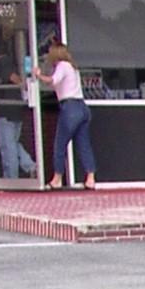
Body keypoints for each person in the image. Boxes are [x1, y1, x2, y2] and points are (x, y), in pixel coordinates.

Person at [42, 41, 96, 191]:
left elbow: (52, 80)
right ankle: (90, 178)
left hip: (70, 107)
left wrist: (38, 75)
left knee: (60, 144)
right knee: (83, 144)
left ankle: (57, 178)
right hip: (82, 107)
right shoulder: (73, 67)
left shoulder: (62, 66)